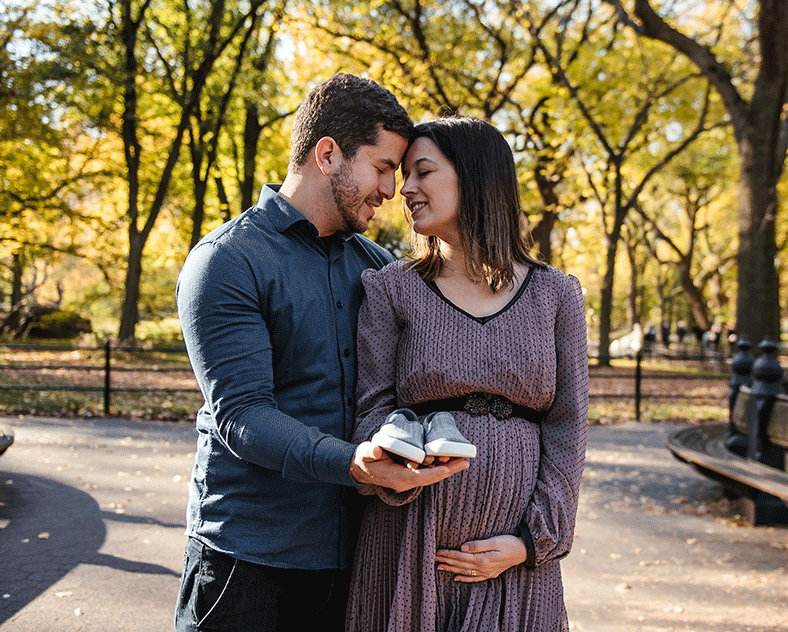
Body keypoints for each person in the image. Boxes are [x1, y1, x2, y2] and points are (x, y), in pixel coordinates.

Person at [173, 74, 468, 632]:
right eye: (383, 168)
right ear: (328, 154)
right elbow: (243, 417)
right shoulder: (228, 262)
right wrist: (354, 465)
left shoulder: (379, 269)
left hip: (354, 561)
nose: (393, 190)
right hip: (247, 558)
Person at [345, 116, 589, 631]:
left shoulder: (556, 295)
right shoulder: (392, 289)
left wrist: (529, 544)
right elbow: (372, 409)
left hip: (514, 561)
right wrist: (393, 467)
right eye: (404, 174)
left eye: (422, 172)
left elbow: (568, 426)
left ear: (475, 177)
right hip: (410, 538)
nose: (403, 189)